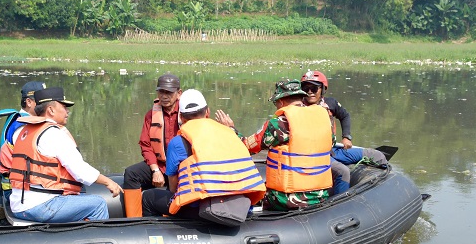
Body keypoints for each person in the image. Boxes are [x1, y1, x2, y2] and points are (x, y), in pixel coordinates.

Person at [141, 89, 265, 218]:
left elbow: (173, 186)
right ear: (207, 112)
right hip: (240, 203)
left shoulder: (177, 142)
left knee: (148, 197)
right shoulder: (231, 133)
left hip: (200, 207)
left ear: (181, 117)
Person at [9, 86, 122, 224]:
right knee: (98, 204)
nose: (67, 111)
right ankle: (95, 243)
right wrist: (108, 182)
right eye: (64, 106)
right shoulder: (53, 133)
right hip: (41, 206)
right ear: (50, 110)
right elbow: (80, 171)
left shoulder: (22, 132)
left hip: (18, 205)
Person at [219, 80, 332, 211]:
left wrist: (231, 129)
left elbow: (246, 147)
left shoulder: (280, 123)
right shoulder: (323, 118)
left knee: (256, 195)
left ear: (281, 102)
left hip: (288, 199)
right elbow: (332, 142)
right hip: (321, 195)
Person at [122, 73, 182, 218]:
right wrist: (155, 169)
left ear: (179, 93)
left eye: (169, 92)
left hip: (181, 168)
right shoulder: (151, 115)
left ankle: (174, 214)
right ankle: (134, 221)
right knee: (132, 173)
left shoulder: (187, 112)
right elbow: (146, 144)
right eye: (161, 92)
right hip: (161, 166)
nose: (164, 96)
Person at [0, 80, 47, 192]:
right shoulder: (23, 127)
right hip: (17, 190)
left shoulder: (22, 120)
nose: (46, 105)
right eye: (42, 102)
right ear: (29, 102)